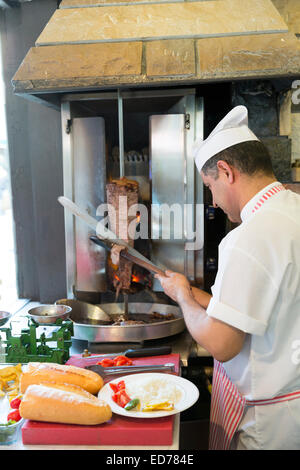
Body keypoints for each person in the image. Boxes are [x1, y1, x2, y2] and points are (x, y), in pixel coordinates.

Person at [152, 105, 300, 450]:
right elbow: (259, 305)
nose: (214, 202)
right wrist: (185, 290)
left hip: (267, 424)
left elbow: (222, 343)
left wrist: (185, 300)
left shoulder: (247, 237)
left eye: (210, 186)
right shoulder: (292, 209)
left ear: (225, 171)